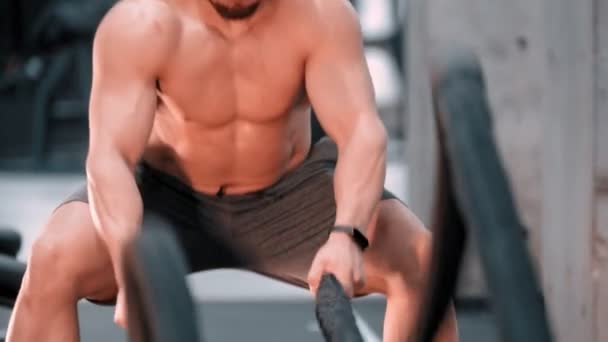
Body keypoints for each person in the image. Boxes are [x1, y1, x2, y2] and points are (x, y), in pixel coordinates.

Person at [6, 0, 458, 341]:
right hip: (165, 196)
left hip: (290, 191)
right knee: (53, 260)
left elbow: (362, 133)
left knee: (420, 260)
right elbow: (109, 158)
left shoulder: (319, 15)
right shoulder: (142, 24)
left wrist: (349, 236)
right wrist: (134, 263)